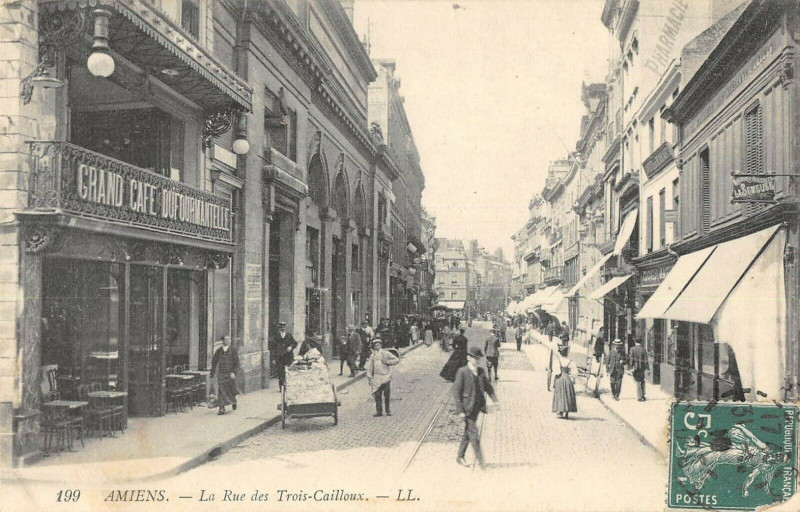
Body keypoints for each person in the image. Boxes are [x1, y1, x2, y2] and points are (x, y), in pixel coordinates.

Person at [453, 346, 498, 469]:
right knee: (474, 434)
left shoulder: (481, 371)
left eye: (478, 358)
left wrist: (495, 400)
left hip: (477, 408)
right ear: (469, 358)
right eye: (474, 358)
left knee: (468, 433)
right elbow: (456, 392)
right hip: (467, 409)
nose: (477, 361)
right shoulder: (462, 372)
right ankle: (482, 463)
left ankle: (460, 457)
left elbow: (488, 387)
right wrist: (460, 410)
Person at [366, 338, 399, 417]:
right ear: (374, 347)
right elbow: (370, 367)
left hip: (385, 376)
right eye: (375, 346)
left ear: (381, 345)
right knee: (377, 395)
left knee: (387, 395)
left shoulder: (385, 353)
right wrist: (369, 377)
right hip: (376, 377)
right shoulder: (372, 356)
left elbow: (396, 359)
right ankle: (379, 411)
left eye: (378, 345)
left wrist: (388, 362)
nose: (377, 347)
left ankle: (388, 411)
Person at [210, 335, 239, 415]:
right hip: (221, 374)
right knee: (221, 390)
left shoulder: (233, 351)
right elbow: (214, 362)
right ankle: (221, 408)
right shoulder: (219, 351)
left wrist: (234, 372)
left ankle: (233, 402)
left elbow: (237, 363)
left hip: (230, 373)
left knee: (231, 389)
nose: (227, 341)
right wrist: (212, 373)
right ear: (222, 341)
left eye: (228, 340)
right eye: (225, 340)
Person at [552, 344, 577, 419]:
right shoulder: (571, 361)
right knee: (568, 394)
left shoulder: (557, 361)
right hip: (567, 379)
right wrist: (573, 378)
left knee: (560, 395)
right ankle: (567, 411)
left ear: (560, 353)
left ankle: (560, 410)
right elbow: (574, 373)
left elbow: (556, 372)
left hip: (560, 378)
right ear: (567, 353)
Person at [274, 322, 297, 391]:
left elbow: (295, 343)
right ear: (279, 328)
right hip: (280, 357)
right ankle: (281, 388)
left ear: (285, 327)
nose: (282, 328)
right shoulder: (276, 336)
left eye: (283, 327)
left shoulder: (289, 335)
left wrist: (291, 347)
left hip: (288, 357)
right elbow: (273, 348)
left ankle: (288, 386)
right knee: (280, 372)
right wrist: (274, 358)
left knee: (287, 372)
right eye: (281, 327)